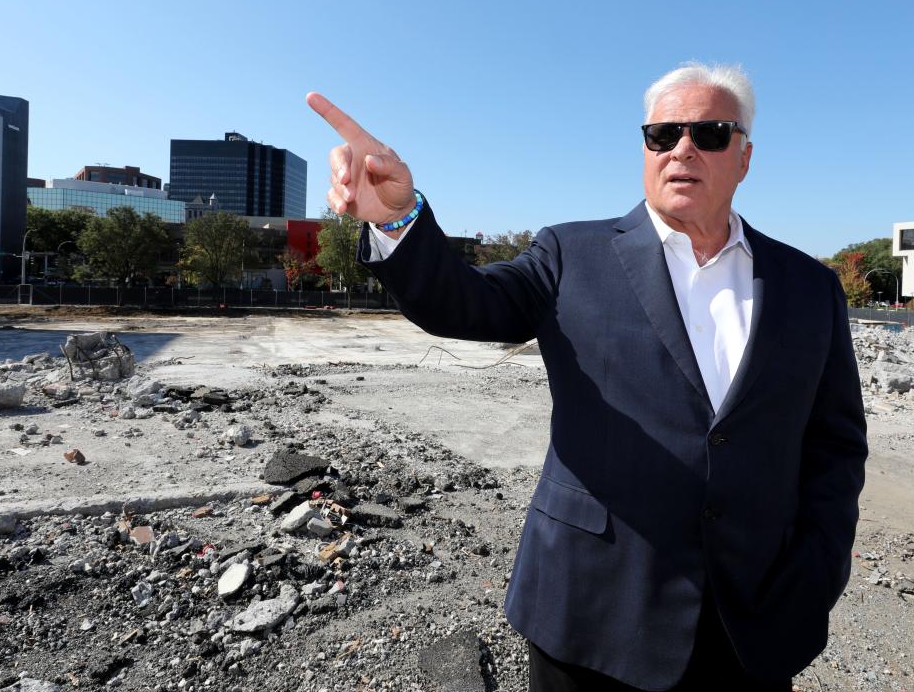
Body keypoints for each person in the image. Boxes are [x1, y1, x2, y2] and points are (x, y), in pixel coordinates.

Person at [306, 62, 868, 692]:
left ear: (743, 157)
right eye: (663, 135)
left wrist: (821, 566)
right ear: (645, 150)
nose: (683, 148)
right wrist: (396, 220)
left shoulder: (809, 287)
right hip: (592, 617)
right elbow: (462, 302)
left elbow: (835, 443)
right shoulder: (571, 254)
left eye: (709, 133)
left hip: (751, 624)